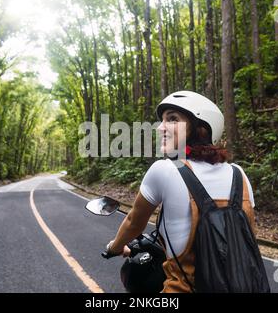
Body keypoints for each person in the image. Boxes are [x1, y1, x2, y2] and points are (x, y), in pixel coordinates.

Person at [106, 91, 257, 293]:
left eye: (172, 119)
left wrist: (115, 247)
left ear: (200, 130)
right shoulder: (239, 174)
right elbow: (246, 235)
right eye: (162, 120)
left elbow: (134, 221)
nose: (160, 127)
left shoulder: (164, 170)